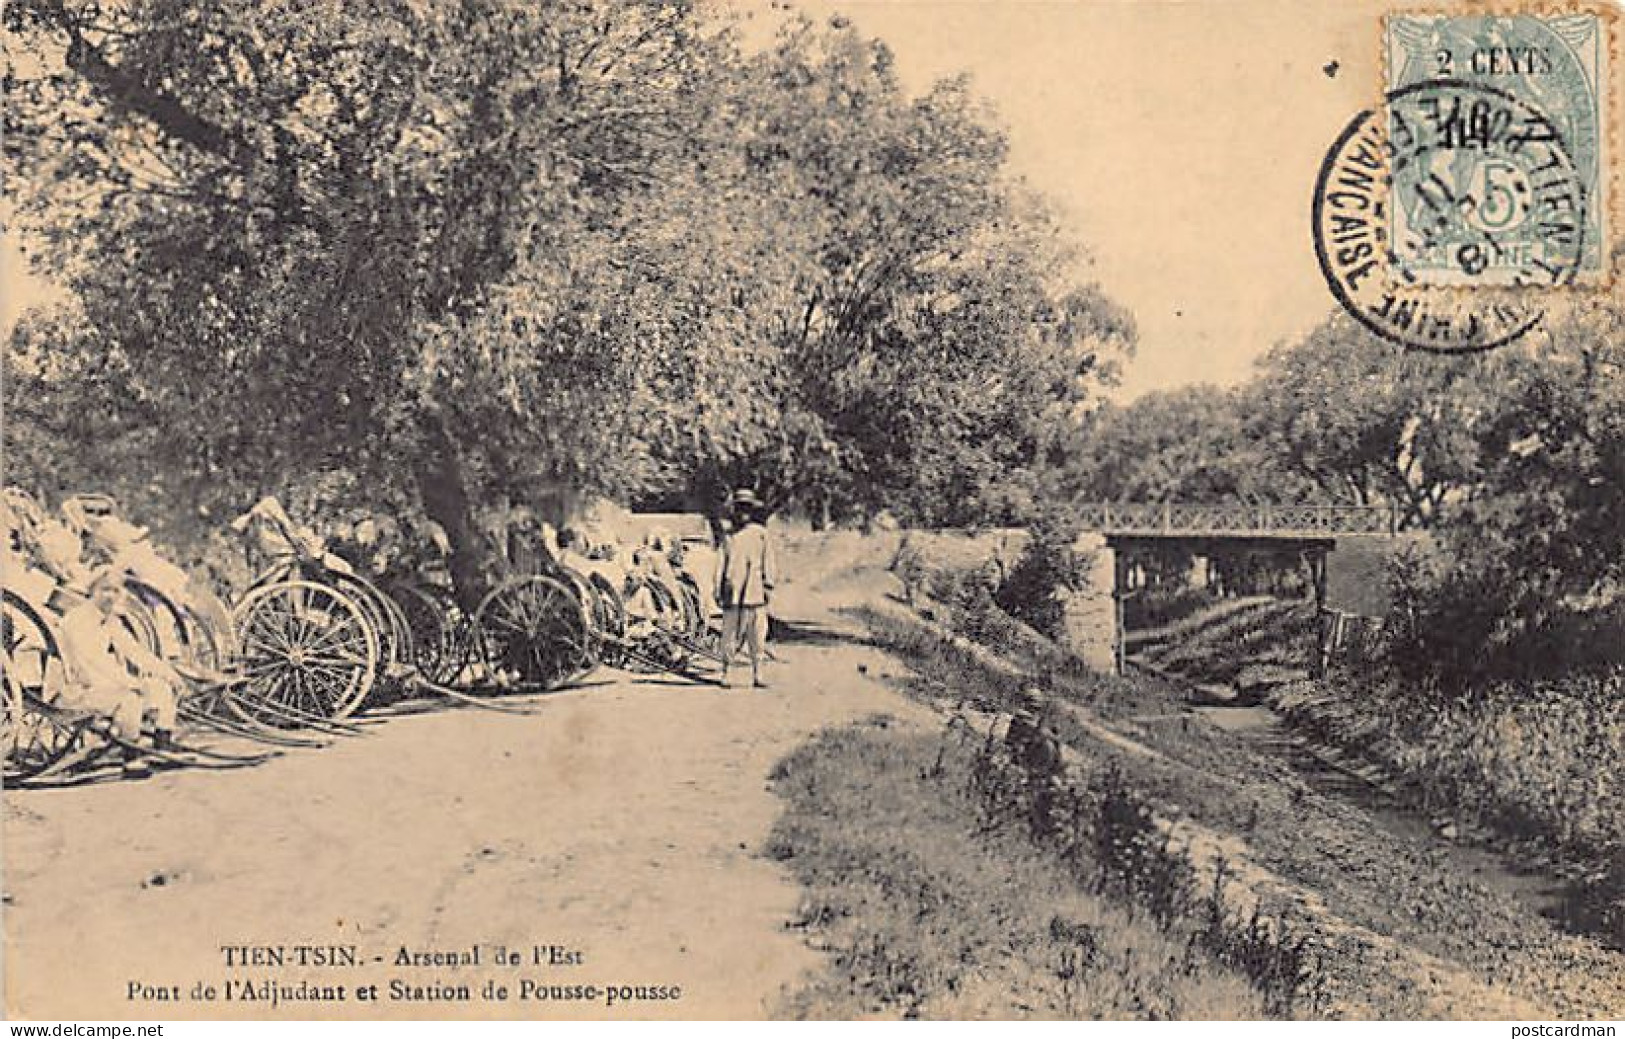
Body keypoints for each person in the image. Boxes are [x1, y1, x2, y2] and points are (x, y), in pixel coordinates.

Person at [56, 566, 183, 778]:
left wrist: (168, 673)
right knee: (129, 697)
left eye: (116, 590)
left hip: (103, 683)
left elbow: (134, 651)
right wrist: (129, 682)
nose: (111, 596)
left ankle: (162, 746)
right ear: (92, 590)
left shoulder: (111, 620)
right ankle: (131, 757)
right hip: (77, 688)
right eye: (105, 590)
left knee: (161, 687)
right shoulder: (77, 619)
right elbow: (93, 662)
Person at [716, 489, 775, 689]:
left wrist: (768, 584)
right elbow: (720, 564)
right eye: (739, 508)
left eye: (746, 508)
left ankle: (758, 673)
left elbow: (769, 561)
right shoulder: (728, 537)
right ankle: (726, 673)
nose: (743, 513)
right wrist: (718, 588)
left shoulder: (760, 534)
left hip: (755, 591)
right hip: (732, 593)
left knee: (757, 636)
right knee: (729, 635)